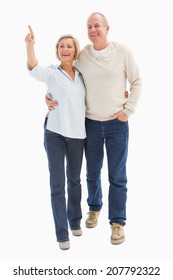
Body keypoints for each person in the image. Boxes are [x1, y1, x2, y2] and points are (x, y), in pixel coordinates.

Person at [45, 12, 142, 245]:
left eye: (97, 25)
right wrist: (49, 97)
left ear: (107, 28)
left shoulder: (122, 52)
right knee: (92, 172)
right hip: (90, 123)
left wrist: (127, 110)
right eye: (89, 26)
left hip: (117, 124)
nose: (93, 30)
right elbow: (65, 77)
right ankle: (94, 208)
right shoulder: (83, 56)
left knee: (117, 175)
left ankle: (117, 222)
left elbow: (137, 81)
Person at [25, 26, 86, 250]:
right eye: (61, 46)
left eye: (69, 46)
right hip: (55, 134)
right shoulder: (51, 72)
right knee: (57, 185)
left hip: (78, 136)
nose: (65, 49)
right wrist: (30, 45)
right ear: (57, 51)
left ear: (75, 50)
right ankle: (62, 234)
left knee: (75, 182)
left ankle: (75, 221)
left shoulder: (82, 75)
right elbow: (33, 68)